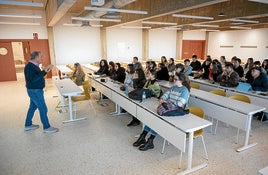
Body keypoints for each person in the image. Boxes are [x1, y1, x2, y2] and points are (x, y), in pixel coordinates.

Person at [133, 72, 190, 151]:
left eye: (175, 79)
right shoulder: (173, 88)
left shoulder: (184, 90)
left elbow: (180, 104)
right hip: (170, 109)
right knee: (153, 117)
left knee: (157, 119)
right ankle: (143, 136)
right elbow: (166, 94)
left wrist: (166, 102)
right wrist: (162, 99)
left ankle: (150, 140)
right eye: (174, 78)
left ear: (181, 80)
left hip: (178, 111)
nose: (173, 80)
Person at [24, 51, 58, 133]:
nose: (42, 58)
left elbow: (37, 76)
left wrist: (45, 70)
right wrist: (45, 71)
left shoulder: (33, 65)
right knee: (43, 108)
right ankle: (47, 127)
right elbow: (34, 79)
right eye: (41, 57)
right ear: (36, 58)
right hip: (35, 91)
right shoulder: (29, 67)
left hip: (34, 90)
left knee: (32, 107)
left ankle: (28, 125)